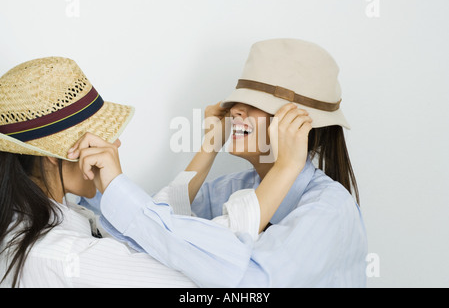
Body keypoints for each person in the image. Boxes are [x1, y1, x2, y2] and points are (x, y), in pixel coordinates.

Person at [70, 39, 368, 287]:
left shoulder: (329, 210)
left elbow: (245, 282)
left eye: (256, 104)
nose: (236, 109)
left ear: (302, 124)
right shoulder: (229, 189)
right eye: (239, 100)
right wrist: (209, 145)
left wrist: (288, 166)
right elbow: (159, 232)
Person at [0, 57, 201, 287]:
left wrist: (209, 148)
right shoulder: (68, 255)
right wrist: (118, 187)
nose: (114, 145)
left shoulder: (28, 224)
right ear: (53, 156)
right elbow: (194, 282)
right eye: (97, 137)